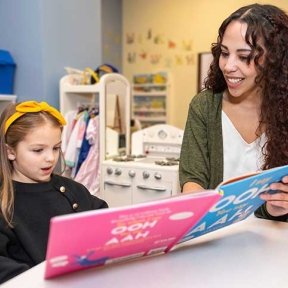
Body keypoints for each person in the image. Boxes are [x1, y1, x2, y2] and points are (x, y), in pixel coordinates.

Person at [179, 4, 288, 222]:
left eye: (244, 56)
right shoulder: (205, 106)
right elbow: (193, 179)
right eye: (224, 53)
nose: (228, 66)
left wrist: (277, 207)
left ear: (275, 59)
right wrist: (194, 207)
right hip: (215, 238)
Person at [0, 101, 108, 284]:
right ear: (11, 152)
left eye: (56, 148)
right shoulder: (4, 203)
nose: (50, 158)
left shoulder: (72, 190)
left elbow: (104, 221)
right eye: (38, 150)